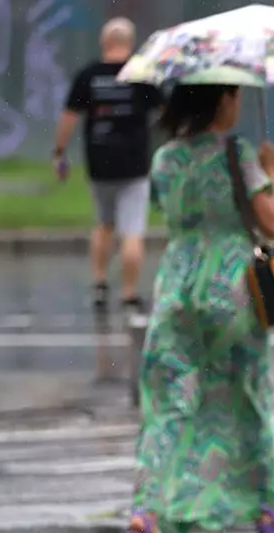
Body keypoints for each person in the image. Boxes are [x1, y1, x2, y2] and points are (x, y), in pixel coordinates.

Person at [124, 83, 274, 533]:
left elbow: (172, 213)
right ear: (220, 100)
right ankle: (271, 508)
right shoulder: (239, 153)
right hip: (230, 288)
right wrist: (270, 174)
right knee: (246, 394)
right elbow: (270, 220)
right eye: (234, 96)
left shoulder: (165, 158)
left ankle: (146, 513)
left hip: (177, 285)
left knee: (169, 401)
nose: (238, 104)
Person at [53, 17, 162, 313]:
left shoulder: (88, 75)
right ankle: (128, 295)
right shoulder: (142, 75)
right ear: (129, 43)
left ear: (105, 42)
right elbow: (163, 113)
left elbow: (68, 117)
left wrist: (59, 151)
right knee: (132, 231)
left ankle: (100, 284)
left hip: (99, 163)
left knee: (104, 224)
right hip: (135, 165)